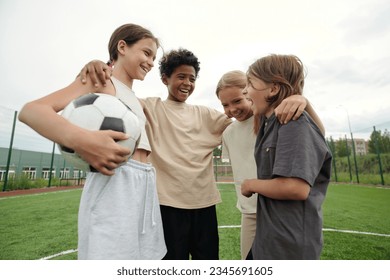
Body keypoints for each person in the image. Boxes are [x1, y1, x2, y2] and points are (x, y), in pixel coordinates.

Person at [79, 51, 324, 260]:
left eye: (192, 78)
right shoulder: (150, 107)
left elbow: (254, 117)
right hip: (168, 206)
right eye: (180, 77)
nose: (187, 82)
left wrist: (299, 98)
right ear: (165, 78)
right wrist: (103, 68)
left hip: (206, 206)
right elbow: (119, 96)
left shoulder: (212, 116)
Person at [18, 23, 167, 260]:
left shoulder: (136, 101)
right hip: (114, 183)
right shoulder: (100, 80)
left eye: (153, 57)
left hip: (145, 183)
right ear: (122, 47)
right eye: (146, 53)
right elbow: (31, 111)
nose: (150, 62)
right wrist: (81, 139)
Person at [216, 70, 325, 259]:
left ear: (249, 93)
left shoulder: (272, 118)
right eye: (225, 104)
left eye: (237, 101)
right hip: (250, 212)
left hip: (278, 210)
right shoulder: (228, 133)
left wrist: (303, 101)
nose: (231, 109)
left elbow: (318, 133)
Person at [241, 54, 332, 260]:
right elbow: (320, 133)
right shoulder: (270, 123)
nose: (245, 90)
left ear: (273, 89)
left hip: (288, 248)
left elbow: (295, 188)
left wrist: (251, 184)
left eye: (250, 83)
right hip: (270, 240)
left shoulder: (293, 123)